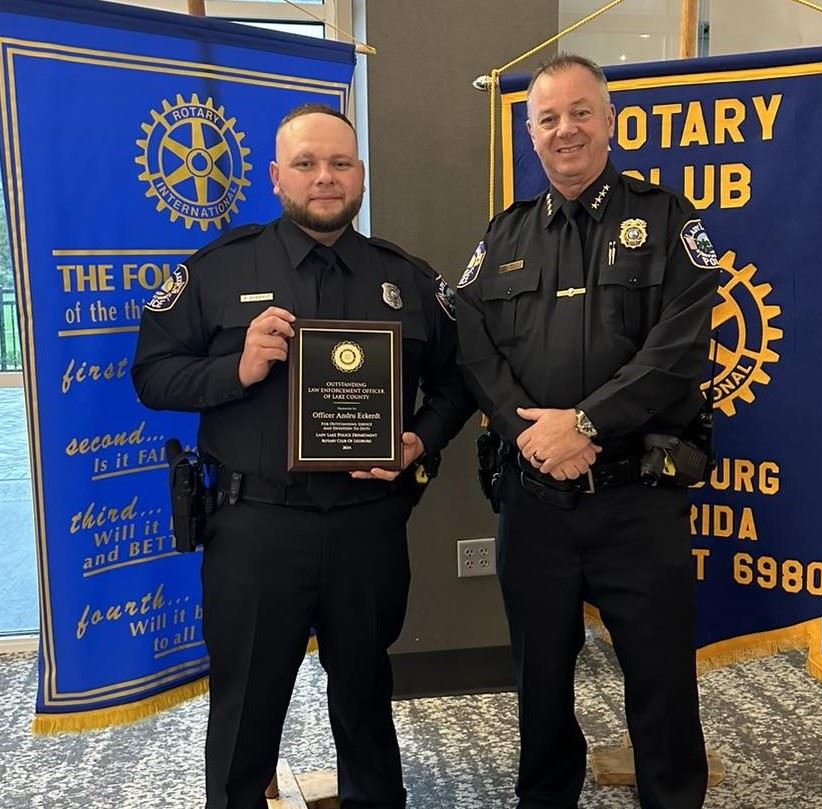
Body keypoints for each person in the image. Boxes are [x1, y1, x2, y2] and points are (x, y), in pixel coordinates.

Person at [132, 104, 473, 809]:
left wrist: (418, 440)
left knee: (365, 699)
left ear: (361, 175)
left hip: (366, 525)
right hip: (255, 527)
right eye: (307, 164)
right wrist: (237, 369)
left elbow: (457, 382)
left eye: (339, 163)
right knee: (245, 710)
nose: (325, 177)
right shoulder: (220, 270)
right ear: (275, 176)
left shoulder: (404, 278)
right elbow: (153, 374)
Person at [455, 54, 720, 809]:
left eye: (579, 113)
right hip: (532, 498)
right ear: (529, 134)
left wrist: (585, 423)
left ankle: (671, 797)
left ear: (609, 121)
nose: (564, 129)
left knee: (661, 677)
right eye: (547, 119)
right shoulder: (503, 233)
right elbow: (471, 342)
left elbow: (677, 352)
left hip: (636, 495)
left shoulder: (668, 219)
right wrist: (528, 432)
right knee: (538, 676)